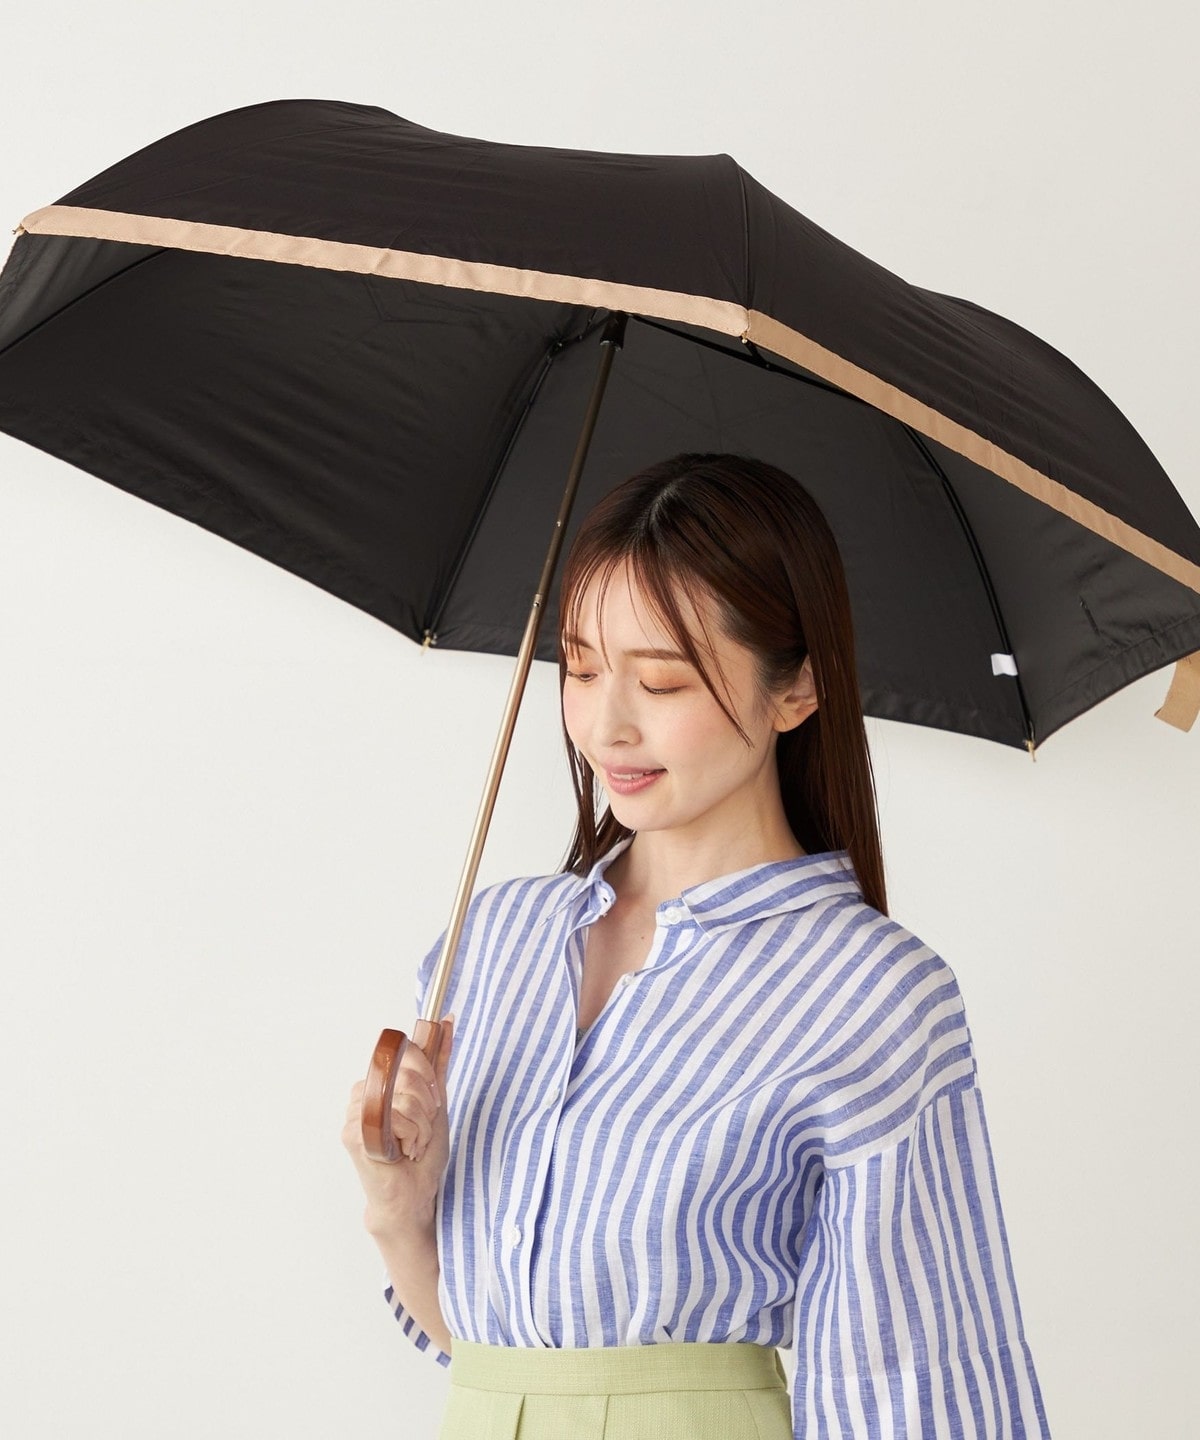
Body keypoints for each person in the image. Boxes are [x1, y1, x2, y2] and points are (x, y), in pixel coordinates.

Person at [343, 453, 1052, 1439]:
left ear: (796, 690)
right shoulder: (492, 941)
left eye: (662, 680)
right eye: (580, 667)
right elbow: (492, 1360)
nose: (607, 725)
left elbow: (910, 1385)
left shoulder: (875, 994)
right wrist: (398, 1209)